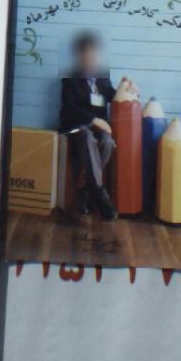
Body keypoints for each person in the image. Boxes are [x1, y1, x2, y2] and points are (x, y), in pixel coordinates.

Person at [59, 33, 126, 221]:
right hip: (75, 127)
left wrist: (126, 86)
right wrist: (94, 120)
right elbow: (69, 108)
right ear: (80, 57)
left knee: (107, 140)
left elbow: (114, 96)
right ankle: (99, 194)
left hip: (98, 128)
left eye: (94, 54)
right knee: (86, 135)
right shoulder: (70, 78)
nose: (91, 59)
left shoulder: (103, 78)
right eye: (87, 55)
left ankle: (87, 190)